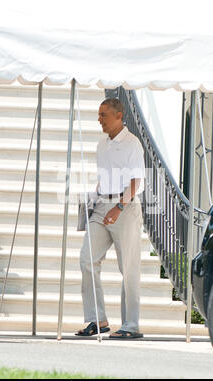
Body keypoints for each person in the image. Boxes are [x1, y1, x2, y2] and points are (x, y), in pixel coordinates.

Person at [76, 98, 145, 339]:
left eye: (103, 115)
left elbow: (137, 181)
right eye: (98, 115)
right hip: (102, 204)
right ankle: (98, 319)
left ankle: (131, 325)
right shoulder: (101, 144)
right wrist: (92, 199)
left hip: (125, 207)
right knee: (87, 260)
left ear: (118, 116)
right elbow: (104, 178)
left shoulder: (133, 144)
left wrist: (118, 207)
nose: (99, 120)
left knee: (128, 267)